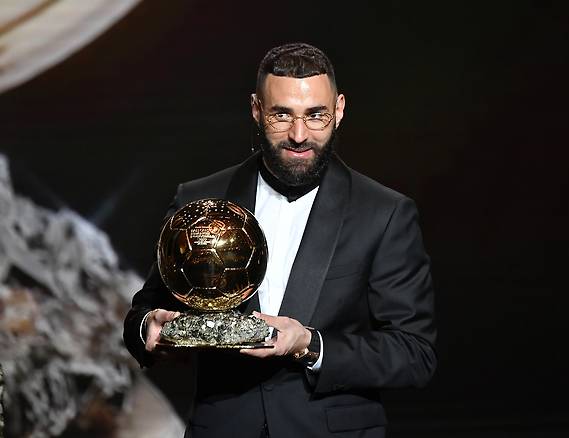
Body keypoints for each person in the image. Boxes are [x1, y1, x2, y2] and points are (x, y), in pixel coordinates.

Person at [123, 42, 437, 438]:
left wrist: (310, 344)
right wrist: (149, 328)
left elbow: (414, 353)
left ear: (339, 110)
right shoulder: (200, 201)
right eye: (281, 115)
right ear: (257, 110)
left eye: (316, 115)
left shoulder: (385, 213)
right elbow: (142, 314)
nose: (299, 135)